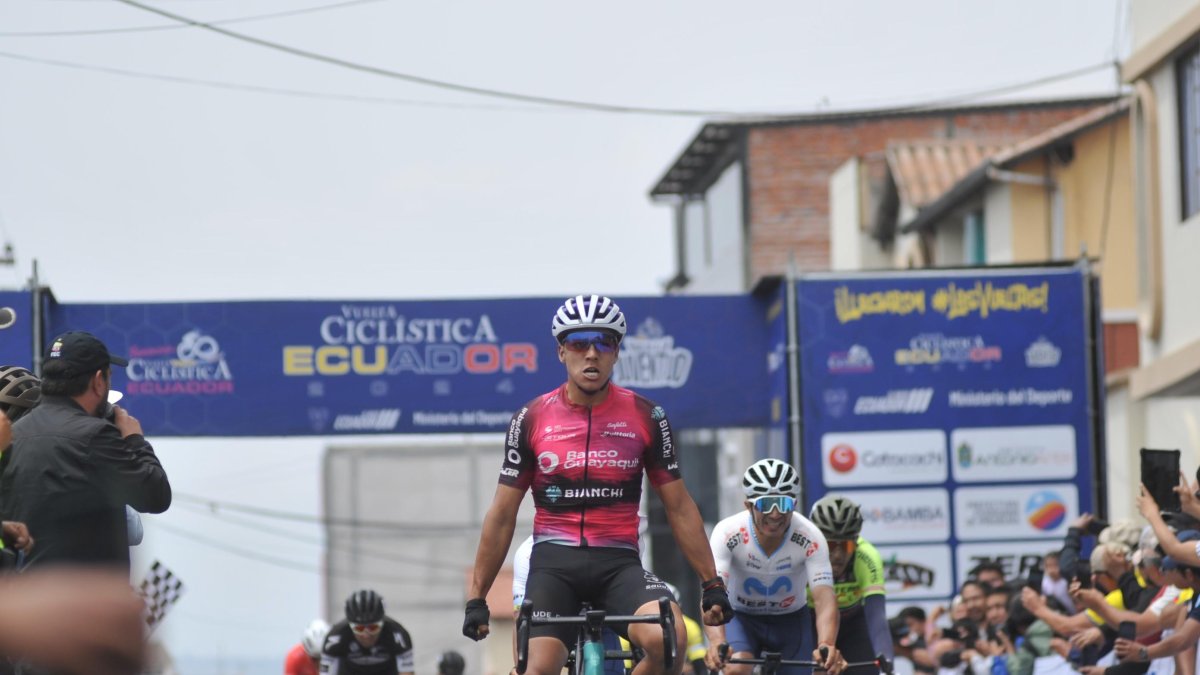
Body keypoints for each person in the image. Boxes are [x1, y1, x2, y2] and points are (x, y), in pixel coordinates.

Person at [462, 295, 733, 675]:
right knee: (535, 669)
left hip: (618, 565)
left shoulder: (647, 416)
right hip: (554, 565)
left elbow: (679, 506)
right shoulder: (531, 417)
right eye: (578, 343)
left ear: (616, 351)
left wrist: (711, 583)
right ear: (561, 352)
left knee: (669, 640)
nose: (591, 353)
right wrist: (478, 596)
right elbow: (503, 514)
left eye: (603, 342)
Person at [0, 332, 171, 570]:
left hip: (29, 596)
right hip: (85, 598)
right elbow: (155, 496)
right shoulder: (95, 435)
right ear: (99, 381)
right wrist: (133, 438)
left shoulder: (15, 436)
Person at [704, 459, 844, 675]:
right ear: (748, 506)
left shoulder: (810, 536)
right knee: (736, 668)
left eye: (784, 504)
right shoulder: (727, 533)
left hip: (790, 621)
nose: (776, 514)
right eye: (766, 505)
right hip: (741, 618)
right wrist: (717, 642)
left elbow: (824, 598)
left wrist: (826, 644)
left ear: (794, 505)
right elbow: (712, 593)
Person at [808, 493, 893, 666]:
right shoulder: (803, 553)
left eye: (846, 545)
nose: (838, 555)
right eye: (831, 545)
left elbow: (877, 616)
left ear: (856, 541)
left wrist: (887, 661)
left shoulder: (867, 556)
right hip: (809, 621)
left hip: (852, 623)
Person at [321, 589, 413, 675]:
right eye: (359, 628)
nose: (366, 635)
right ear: (350, 625)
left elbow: (407, 673)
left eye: (373, 627)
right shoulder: (335, 638)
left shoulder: (398, 635)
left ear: (382, 623)